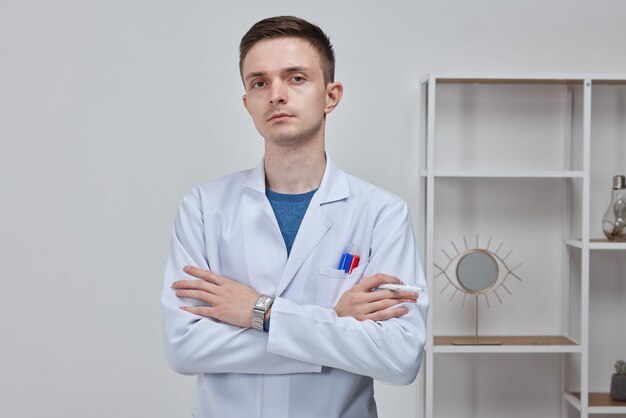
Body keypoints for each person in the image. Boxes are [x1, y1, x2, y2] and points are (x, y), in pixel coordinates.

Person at [161, 15, 429, 418]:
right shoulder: (203, 207)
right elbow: (185, 347)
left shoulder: (381, 213)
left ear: (331, 95)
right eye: (259, 82)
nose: (276, 95)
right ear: (247, 102)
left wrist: (259, 312)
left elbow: (399, 356)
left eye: (296, 78)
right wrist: (333, 323)